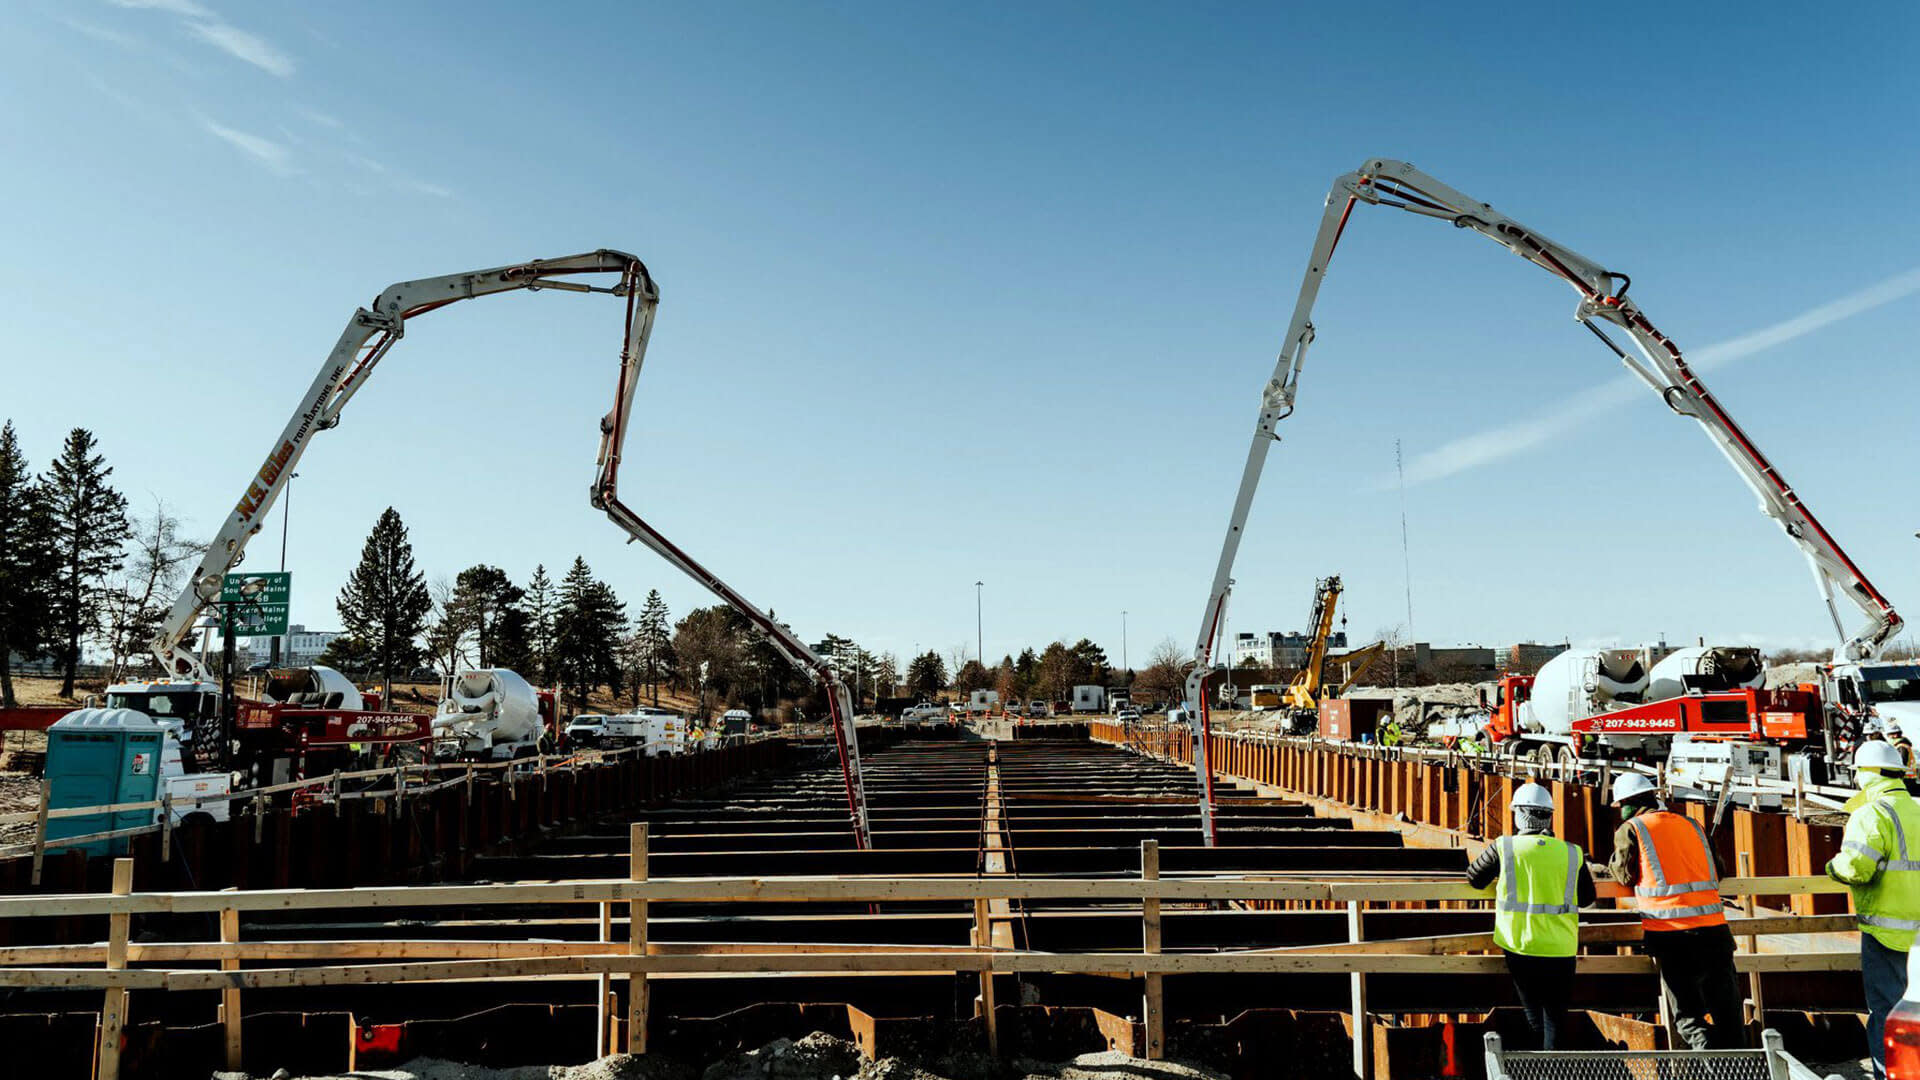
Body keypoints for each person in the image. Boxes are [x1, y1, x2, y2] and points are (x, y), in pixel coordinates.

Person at [1606, 773, 1745, 1050]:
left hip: (1671, 936)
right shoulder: (1693, 825)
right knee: (1728, 1013)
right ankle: (1742, 1068)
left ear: (1630, 804)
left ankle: (1715, 1070)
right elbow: (1719, 871)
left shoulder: (1632, 828)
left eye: (1621, 805)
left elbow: (1623, 875)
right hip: (1715, 932)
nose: (1621, 811)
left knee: (1688, 1016)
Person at [1466, 782, 1596, 1049]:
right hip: (1561, 948)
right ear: (1548, 815)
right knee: (1555, 1019)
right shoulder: (1571, 852)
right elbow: (1587, 897)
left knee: (1534, 1016)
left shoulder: (1506, 847)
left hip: (1520, 945)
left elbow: (1475, 879)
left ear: (1519, 814)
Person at [1826, 740, 1920, 1080]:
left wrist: (1832, 869)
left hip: (1886, 933)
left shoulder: (1871, 813)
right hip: (1918, 935)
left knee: (1887, 1013)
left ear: (1866, 774)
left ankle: (1892, 1075)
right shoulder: (1917, 809)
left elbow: (1856, 867)